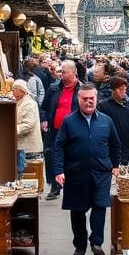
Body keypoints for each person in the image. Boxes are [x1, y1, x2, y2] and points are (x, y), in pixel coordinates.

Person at [51, 83, 121, 255]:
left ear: (96, 98)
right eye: (85, 99)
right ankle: (80, 245)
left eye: (92, 99)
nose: (89, 102)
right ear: (78, 99)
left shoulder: (106, 121)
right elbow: (58, 147)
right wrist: (59, 170)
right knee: (77, 210)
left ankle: (96, 242)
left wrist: (115, 165)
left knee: (99, 206)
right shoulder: (69, 121)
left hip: (101, 173)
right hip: (76, 173)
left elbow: (115, 145)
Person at [40, 60, 80, 200]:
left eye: (64, 72)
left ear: (73, 73)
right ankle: (55, 187)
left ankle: (72, 185)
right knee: (51, 155)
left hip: (74, 131)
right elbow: (44, 107)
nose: (61, 74)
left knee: (72, 157)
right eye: (61, 72)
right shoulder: (53, 88)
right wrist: (44, 119)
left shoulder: (81, 89)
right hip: (55, 130)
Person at [98, 75, 129, 166]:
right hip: (109, 148)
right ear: (113, 90)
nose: (123, 92)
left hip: (125, 147)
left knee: (123, 174)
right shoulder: (103, 105)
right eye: (120, 89)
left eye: (124, 89)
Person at [12, 79, 42, 178]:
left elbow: (28, 125)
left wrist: (12, 130)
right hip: (21, 142)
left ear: (21, 90)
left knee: (21, 169)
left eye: (14, 89)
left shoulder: (28, 104)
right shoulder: (19, 101)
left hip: (26, 144)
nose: (12, 91)